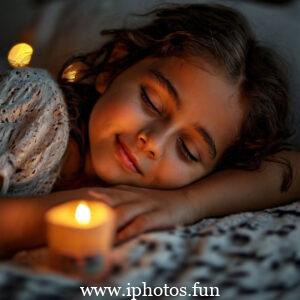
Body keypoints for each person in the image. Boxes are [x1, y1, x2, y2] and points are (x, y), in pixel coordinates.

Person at [0, 3, 299, 259]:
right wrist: (82, 210)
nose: (153, 142)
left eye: (188, 151)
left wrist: (186, 204)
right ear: (113, 68)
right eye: (151, 102)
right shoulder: (31, 107)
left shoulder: (173, 193)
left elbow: (292, 168)